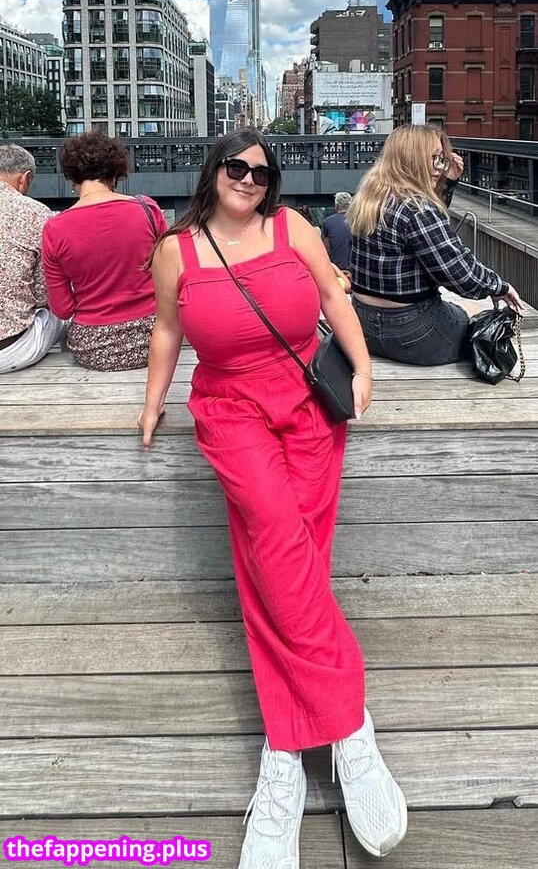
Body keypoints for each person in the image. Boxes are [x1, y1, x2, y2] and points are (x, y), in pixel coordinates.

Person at [138, 128, 408, 866]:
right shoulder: (177, 250)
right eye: (237, 166)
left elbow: (332, 297)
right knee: (282, 548)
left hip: (308, 404)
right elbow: (166, 330)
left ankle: (283, 751)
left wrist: (362, 367)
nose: (249, 179)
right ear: (213, 171)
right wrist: (154, 401)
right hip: (231, 410)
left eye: (262, 172)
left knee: (289, 567)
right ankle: (349, 729)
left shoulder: (292, 227)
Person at [348, 124, 524, 365]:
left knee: (456, 310)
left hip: (364, 325)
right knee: (465, 314)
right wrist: (499, 286)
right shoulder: (417, 208)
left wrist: (447, 183)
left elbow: (427, 234)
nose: (439, 167)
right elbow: (460, 273)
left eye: (441, 159)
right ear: (412, 159)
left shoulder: (370, 197)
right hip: (413, 333)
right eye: (434, 159)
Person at [41, 131, 167, 370]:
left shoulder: (54, 229)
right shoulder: (147, 209)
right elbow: (172, 274)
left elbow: (62, 309)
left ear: (71, 177)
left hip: (93, 349)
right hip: (153, 341)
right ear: (115, 173)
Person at [0, 143, 66, 373]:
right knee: (66, 309)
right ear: (25, 178)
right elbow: (43, 294)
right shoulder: (37, 213)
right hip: (10, 350)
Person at [321, 191, 352, 270]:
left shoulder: (327, 222)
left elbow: (326, 249)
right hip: (356, 268)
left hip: (336, 268)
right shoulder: (359, 221)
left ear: (336, 205)